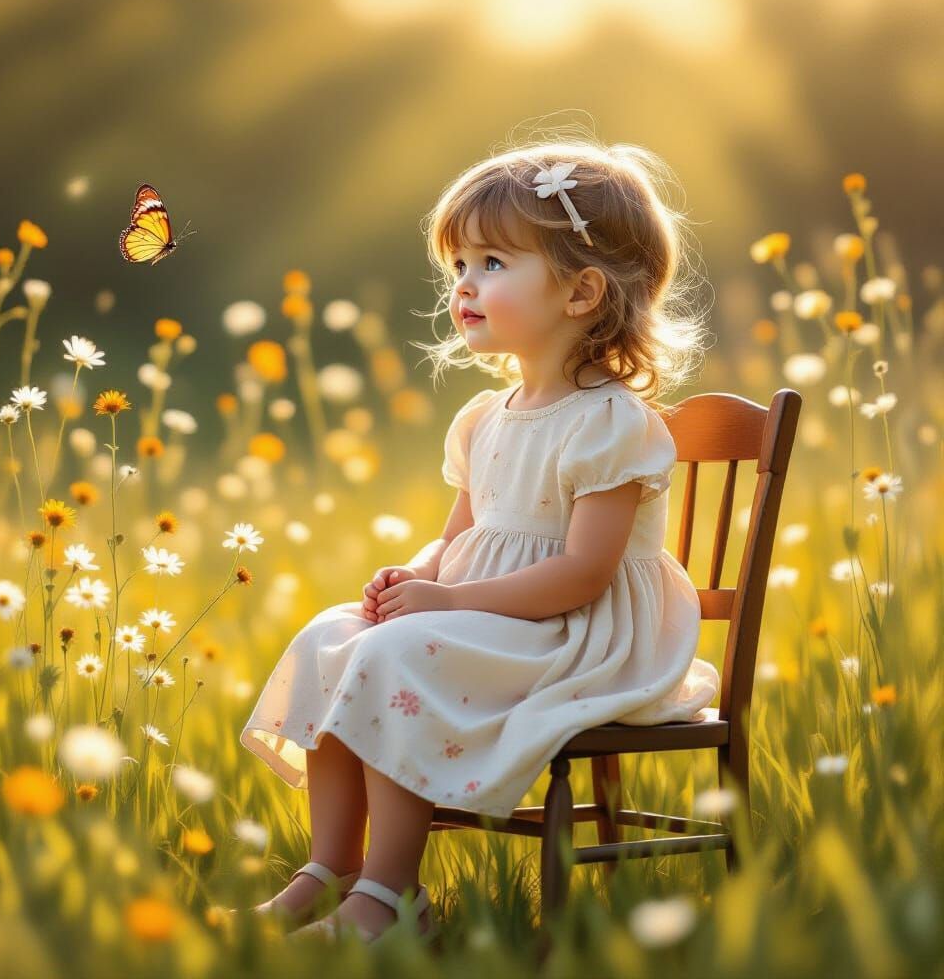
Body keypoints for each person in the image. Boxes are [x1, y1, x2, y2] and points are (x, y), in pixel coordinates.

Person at [239, 138, 720, 944]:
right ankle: (331, 870)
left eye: (492, 263)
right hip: (492, 616)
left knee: (398, 653)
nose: (464, 284)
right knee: (333, 635)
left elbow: (582, 575)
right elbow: (455, 540)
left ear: (582, 291)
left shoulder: (610, 423)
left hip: (579, 636)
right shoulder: (483, 419)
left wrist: (448, 598)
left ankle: (390, 900)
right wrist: (414, 578)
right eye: (459, 264)